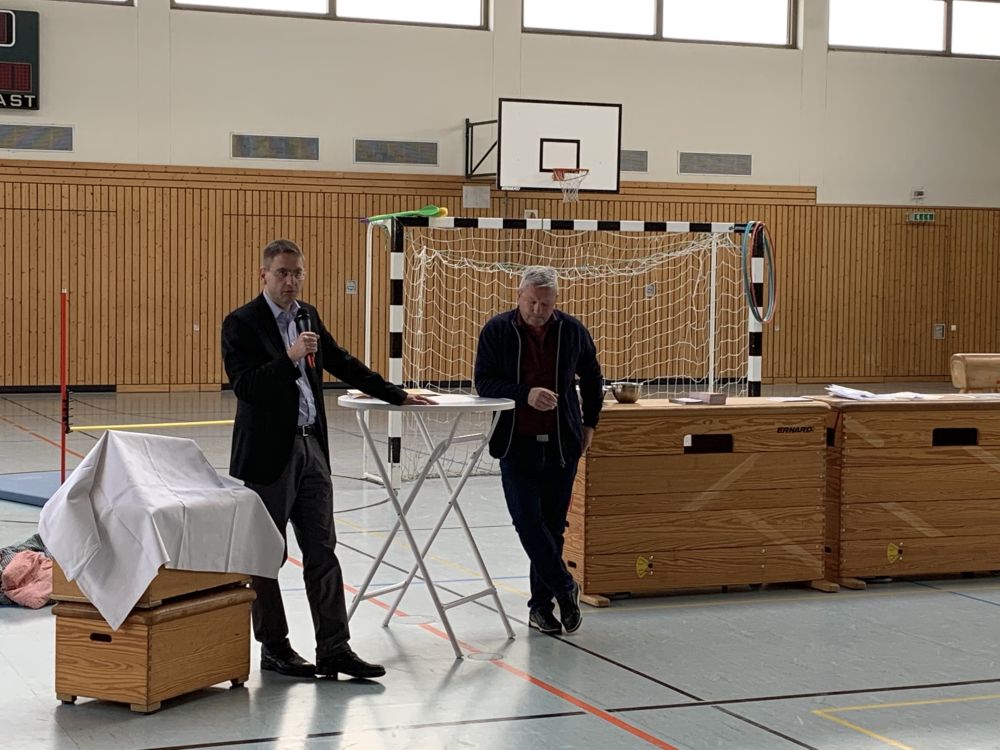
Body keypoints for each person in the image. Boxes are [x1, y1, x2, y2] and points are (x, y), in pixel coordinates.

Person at [222, 238, 432, 680]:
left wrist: (395, 395)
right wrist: (290, 357)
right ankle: (275, 647)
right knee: (267, 556)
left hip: (312, 449)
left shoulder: (308, 315)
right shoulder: (241, 323)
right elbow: (246, 387)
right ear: (263, 275)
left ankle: (334, 648)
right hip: (267, 458)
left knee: (323, 551)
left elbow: (341, 361)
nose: (291, 281)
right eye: (282, 273)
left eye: (297, 272)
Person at [474, 266, 603, 635]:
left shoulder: (572, 331)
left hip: (562, 445)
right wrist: (524, 394)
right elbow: (484, 382)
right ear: (519, 296)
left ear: (555, 302)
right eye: (531, 302)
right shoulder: (498, 330)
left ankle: (541, 608)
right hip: (516, 444)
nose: (537, 310)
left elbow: (593, 378)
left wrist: (590, 424)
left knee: (553, 529)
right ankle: (565, 586)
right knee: (528, 523)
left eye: (545, 304)